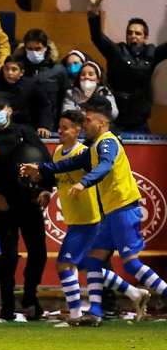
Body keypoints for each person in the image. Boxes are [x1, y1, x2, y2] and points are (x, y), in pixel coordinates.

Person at [22, 97, 167, 325]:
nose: (85, 124)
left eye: (88, 120)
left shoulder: (107, 143)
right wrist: (41, 168)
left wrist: (84, 182)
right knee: (92, 262)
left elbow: (105, 165)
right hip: (111, 214)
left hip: (124, 209)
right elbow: (68, 165)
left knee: (130, 263)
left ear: (101, 123)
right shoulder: (93, 147)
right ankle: (96, 313)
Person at [45, 110, 149, 325]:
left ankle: (75, 315)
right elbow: (59, 175)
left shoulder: (89, 150)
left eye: (66, 127)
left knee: (65, 264)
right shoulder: (57, 152)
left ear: (77, 130)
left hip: (90, 218)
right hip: (75, 218)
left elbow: (102, 169)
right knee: (88, 266)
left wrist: (83, 183)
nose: (60, 131)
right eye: (59, 127)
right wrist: (43, 186)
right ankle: (132, 294)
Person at [0, 94, 54, 320]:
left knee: (38, 252)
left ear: (10, 109)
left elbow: (47, 164)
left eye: (0, 107)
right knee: (9, 256)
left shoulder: (26, 133)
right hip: (3, 205)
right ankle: (7, 304)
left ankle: (30, 297)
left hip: (30, 201)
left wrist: (45, 190)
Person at [85, 0, 156, 131]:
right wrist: (94, 9)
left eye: (138, 33)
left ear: (145, 37)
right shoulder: (117, 52)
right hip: (116, 120)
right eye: (129, 33)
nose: (133, 36)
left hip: (140, 121)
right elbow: (97, 37)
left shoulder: (152, 54)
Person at [0, 57, 51, 134]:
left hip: (25, 127)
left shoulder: (31, 86)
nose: (9, 73)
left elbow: (44, 106)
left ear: (21, 72)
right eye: (6, 69)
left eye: (14, 69)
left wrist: (44, 126)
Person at [15, 28, 70, 136]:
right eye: (30, 49)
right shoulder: (17, 69)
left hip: (51, 128)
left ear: (46, 48)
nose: (34, 52)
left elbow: (64, 100)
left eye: (38, 48)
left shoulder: (58, 70)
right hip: (23, 126)